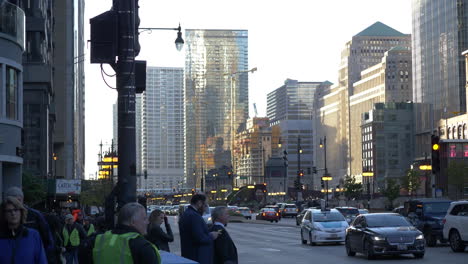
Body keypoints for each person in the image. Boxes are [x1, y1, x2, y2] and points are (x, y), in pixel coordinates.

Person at [79, 202, 161, 263]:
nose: (147, 222)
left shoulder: (96, 240)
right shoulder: (144, 247)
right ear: (132, 222)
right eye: (144, 219)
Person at [5, 187, 56, 263]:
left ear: (22, 199)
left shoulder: (35, 216)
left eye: (18, 201)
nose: (16, 205)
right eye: (12, 202)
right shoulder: (3, 217)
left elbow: (48, 241)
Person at [0, 197, 47, 264]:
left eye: (16, 210)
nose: (13, 213)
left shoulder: (33, 235)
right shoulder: (1, 237)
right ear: (4, 214)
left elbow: (41, 261)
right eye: (9, 211)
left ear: (21, 212)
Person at [179, 194, 219, 264]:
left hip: (190, 255)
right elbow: (200, 238)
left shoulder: (187, 213)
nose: (205, 208)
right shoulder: (194, 216)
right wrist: (212, 236)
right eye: (205, 205)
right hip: (198, 257)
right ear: (199, 203)